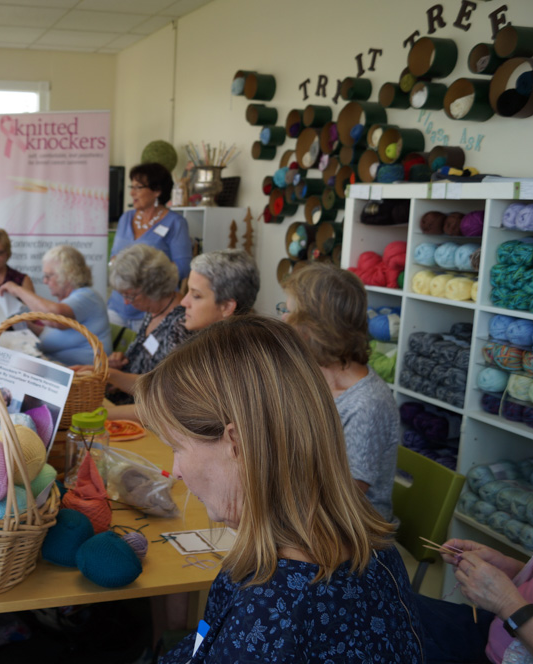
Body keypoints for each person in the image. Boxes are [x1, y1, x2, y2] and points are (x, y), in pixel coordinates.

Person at [137, 315, 423, 663]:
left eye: (177, 447)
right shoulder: (377, 551)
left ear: (238, 445)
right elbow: (206, 640)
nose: (176, 471)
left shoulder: (268, 614)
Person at [281, 262, 398, 522]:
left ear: (316, 327)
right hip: (305, 518)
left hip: (350, 533)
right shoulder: (312, 379)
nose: (283, 320)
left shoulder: (368, 404)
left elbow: (344, 498)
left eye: (289, 313)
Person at [99, 248, 259, 422]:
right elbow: (160, 391)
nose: (184, 301)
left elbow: (167, 408)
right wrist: (111, 375)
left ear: (227, 307)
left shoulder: (228, 360)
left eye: (196, 295)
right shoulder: (211, 344)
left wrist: (100, 412)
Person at [93, 244, 190, 405]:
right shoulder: (153, 311)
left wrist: (115, 376)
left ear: (153, 287)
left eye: (130, 295)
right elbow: (146, 361)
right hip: (127, 398)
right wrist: (122, 363)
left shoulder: (181, 323)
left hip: (144, 411)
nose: (126, 302)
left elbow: (169, 390)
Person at [416, 539, 533, 664]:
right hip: (496, 628)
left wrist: (507, 603)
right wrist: (514, 570)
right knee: (404, 609)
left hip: (506, 651)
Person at [107, 162, 192, 331]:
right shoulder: (126, 218)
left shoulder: (176, 223)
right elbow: (114, 258)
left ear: (157, 190)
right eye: (132, 187)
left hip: (151, 309)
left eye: (138, 187)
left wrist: (143, 278)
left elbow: (183, 268)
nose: (132, 193)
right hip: (117, 306)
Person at [0, 244, 111, 366]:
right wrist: (27, 326)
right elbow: (55, 333)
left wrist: (17, 290)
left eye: (48, 276)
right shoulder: (71, 301)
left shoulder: (87, 297)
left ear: (68, 275)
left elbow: (55, 319)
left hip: (82, 374)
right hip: (60, 368)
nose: (45, 281)